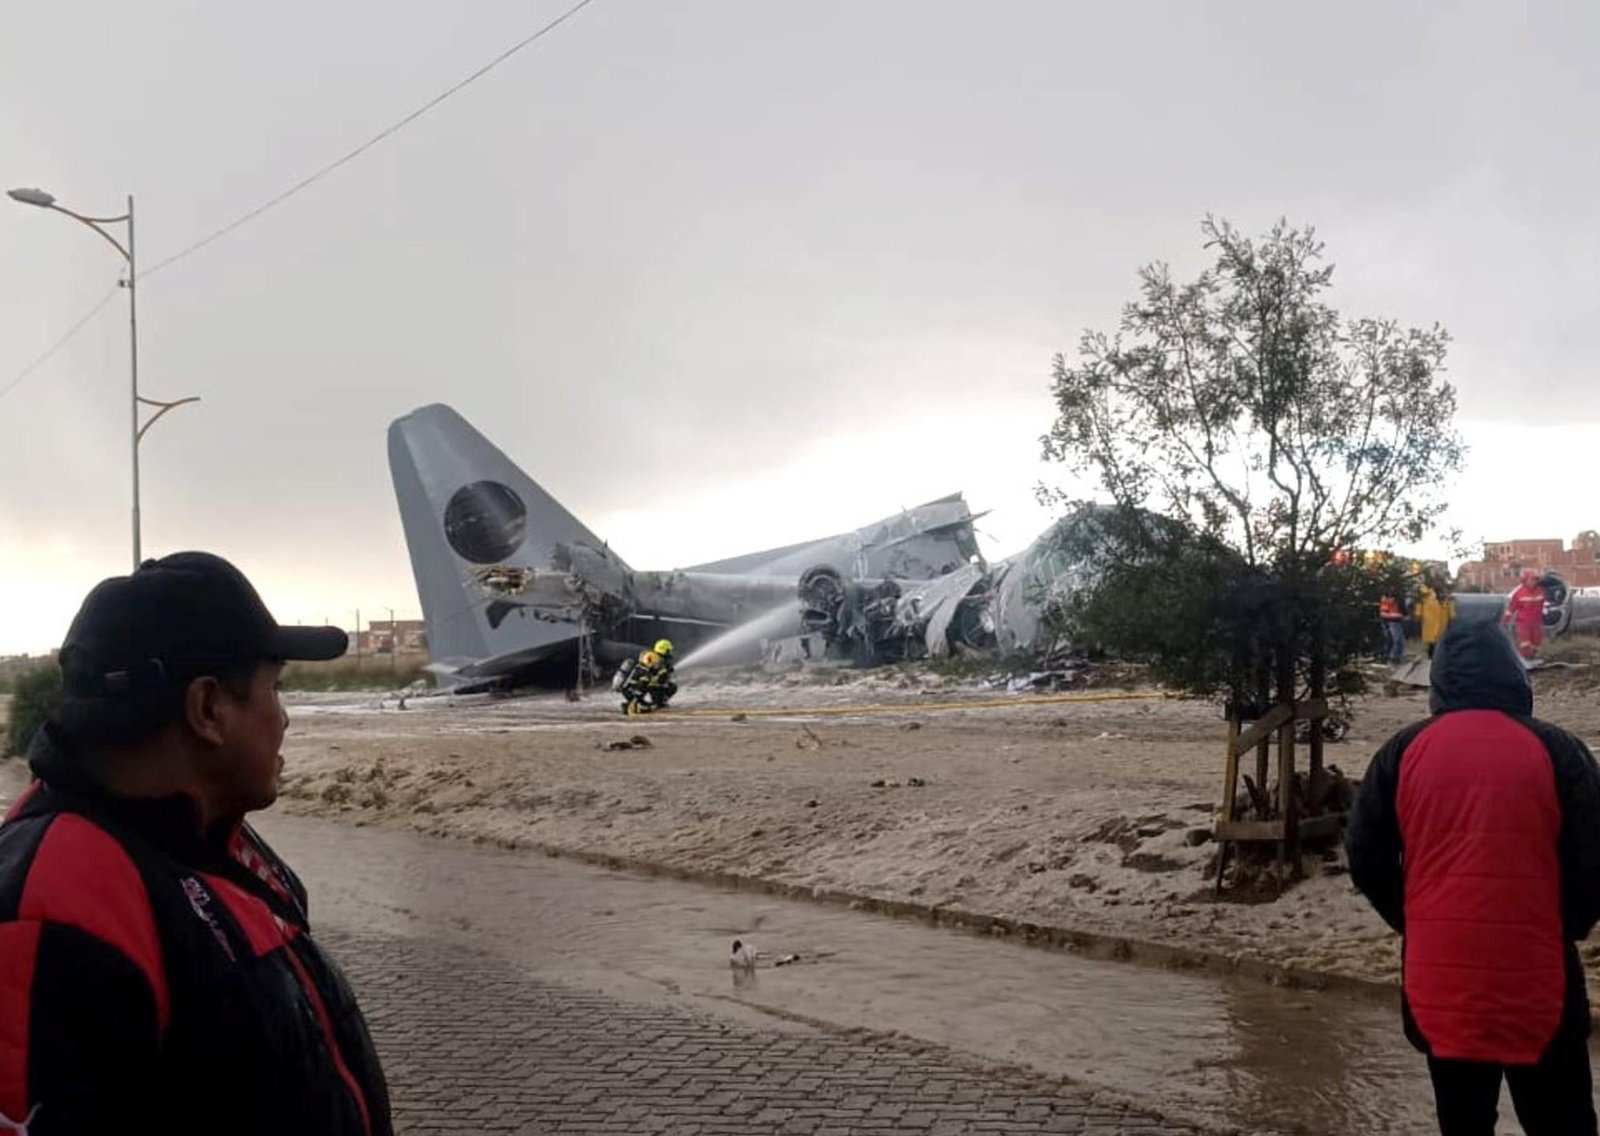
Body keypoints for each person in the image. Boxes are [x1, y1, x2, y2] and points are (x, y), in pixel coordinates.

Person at [0, 553, 391, 1134]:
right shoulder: (54, 901)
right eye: (275, 689)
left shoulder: (204, 836)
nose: (285, 720)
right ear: (208, 709)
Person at [1347, 619, 1600, 1135]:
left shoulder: (1400, 752)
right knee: (1563, 1122)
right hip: (1539, 978)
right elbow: (1594, 856)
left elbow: (1365, 856)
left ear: (1439, 680)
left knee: (1462, 1123)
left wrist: (1414, 920)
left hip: (1439, 982)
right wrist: (1568, 923)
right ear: (1514, 673)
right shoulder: (1558, 748)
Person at [1505, 568, 1548, 663]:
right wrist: (1505, 621)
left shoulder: (1541, 591)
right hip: (1523, 623)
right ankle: (1526, 659)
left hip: (1537, 622)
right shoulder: (1519, 593)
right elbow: (1510, 609)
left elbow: (1545, 604)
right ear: (1525, 580)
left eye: (1536, 580)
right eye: (1532, 579)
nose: (1534, 582)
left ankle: (1533, 658)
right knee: (1525, 643)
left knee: (1536, 642)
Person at [1417, 580, 1457, 658]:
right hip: (1432, 623)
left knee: (1436, 641)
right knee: (1434, 641)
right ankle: (1432, 655)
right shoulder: (1426, 596)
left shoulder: (1446, 599)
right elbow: (1452, 615)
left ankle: (1433, 655)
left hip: (1437, 623)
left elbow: (1452, 614)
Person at [1378, 592, 1406, 664]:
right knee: (1395, 640)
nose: (1392, 599)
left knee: (1400, 641)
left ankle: (1397, 656)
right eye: (1391, 598)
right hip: (1391, 622)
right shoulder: (1385, 603)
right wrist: (1396, 615)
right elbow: (1383, 614)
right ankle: (1393, 656)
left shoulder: (1394, 603)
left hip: (1397, 622)